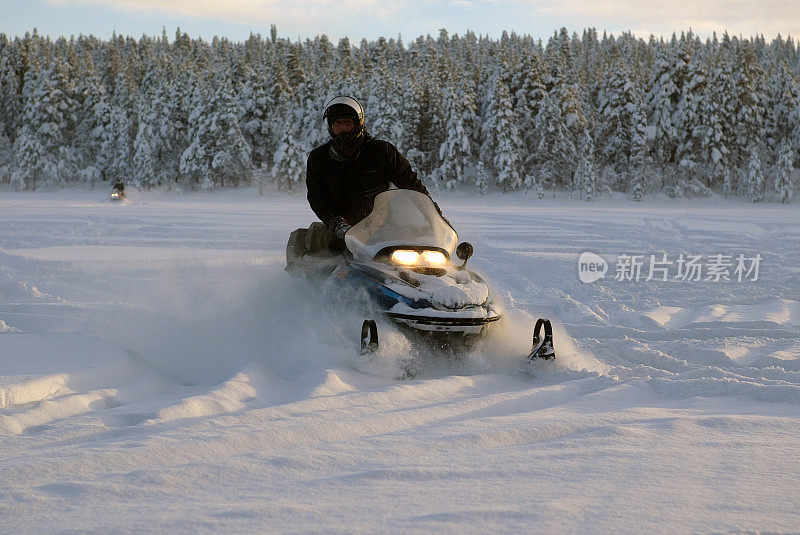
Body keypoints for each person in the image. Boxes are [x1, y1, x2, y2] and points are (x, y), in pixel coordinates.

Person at [304, 95, 436, 252]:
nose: (343, 128)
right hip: (343, 233)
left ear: (358, 124)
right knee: (337, 267)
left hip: (383, 229)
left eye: (347, 123)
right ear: (331, 127)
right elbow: (316, 196)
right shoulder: (319, 158)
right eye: (337, 124)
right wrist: (335, 222)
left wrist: (434, 217)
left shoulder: (381, 152)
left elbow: (412, 186)